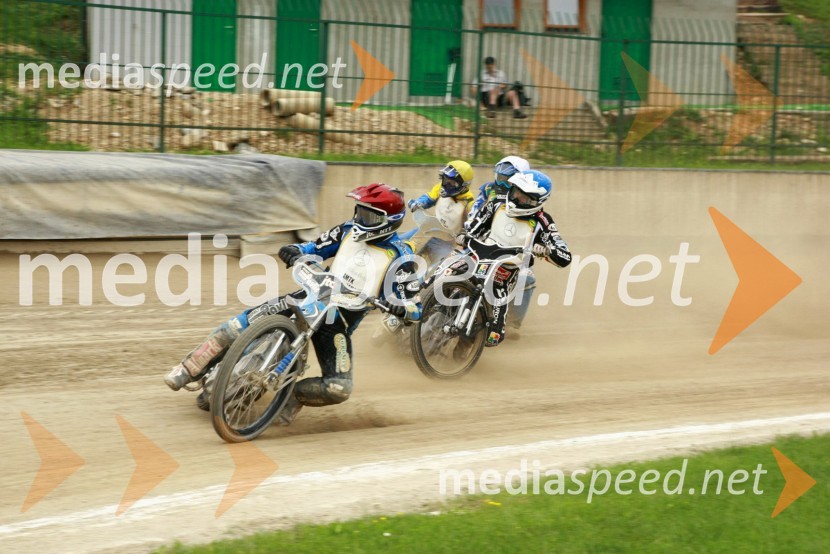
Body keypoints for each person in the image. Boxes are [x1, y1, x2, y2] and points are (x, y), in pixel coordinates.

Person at [164, 183, 422, 422]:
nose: (360, 220)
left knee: (339, 388)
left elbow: (415, 307)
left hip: (337, 323)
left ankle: (290, 397)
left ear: (389, 222)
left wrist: (401, 308)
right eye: (360, 211)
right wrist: (295, 250)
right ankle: (189, 368)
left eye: (369, 216)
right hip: (310, 297)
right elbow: (313, 247)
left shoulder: (402, 258)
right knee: (236, 326)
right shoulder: (346, 231)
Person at [463, 169, 571, 346]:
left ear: (537, 201)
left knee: (498, 292)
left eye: (524, 197)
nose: (516, 198)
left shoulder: (543, 221)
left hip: (506, 268)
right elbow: (474, 227)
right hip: (479, 255)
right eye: (515, 191)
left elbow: (565, 255)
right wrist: (464, 235)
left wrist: (546, 250)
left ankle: (495, 330)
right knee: (446, 269)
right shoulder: (496, 203)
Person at [405, 159, 476, 257]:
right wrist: (419, 203)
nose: (446, 185)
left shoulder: (469, 203)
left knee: (428, 264)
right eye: (445, 180)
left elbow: (471, 226)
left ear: (464, 185)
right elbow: (429, 198)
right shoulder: (440, 188)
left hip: (448, 241)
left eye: (451, 183)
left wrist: (464, 236)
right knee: (402, 241)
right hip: (430, 228)